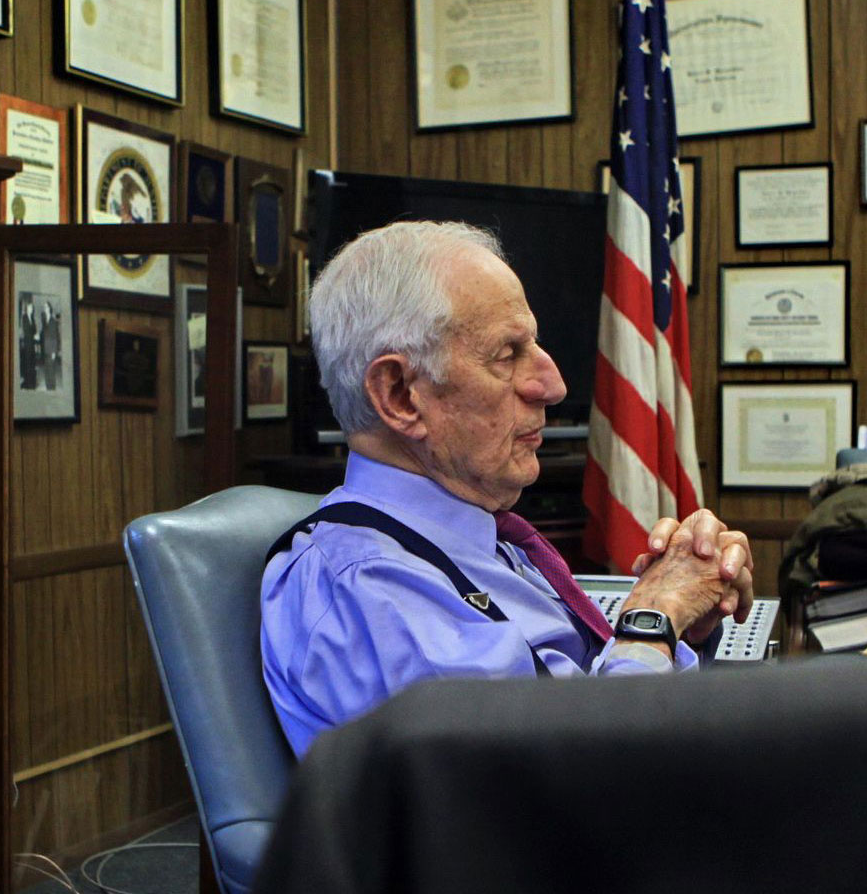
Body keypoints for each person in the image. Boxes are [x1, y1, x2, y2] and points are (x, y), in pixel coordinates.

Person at [261, 220, 752, 755]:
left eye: (533, 346)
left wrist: (687, 628)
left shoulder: (482, 541)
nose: (553, 384)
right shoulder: (368, 588)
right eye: (506, 354)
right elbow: (559, 794)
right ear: (400, 395)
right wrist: (654, 618)